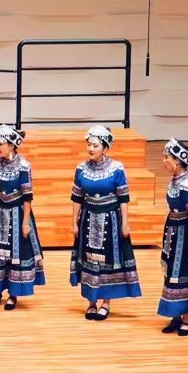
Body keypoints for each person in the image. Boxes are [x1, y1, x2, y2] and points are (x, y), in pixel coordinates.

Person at [69, 124, 142, 319]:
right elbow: (76, 198)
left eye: (95, 146)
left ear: (105, 148)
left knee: (107, 260)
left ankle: (106, 302)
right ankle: (91, 302)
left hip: (110, 220)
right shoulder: (81, 169)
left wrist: (125, 223)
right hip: (88, 220)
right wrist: (74, 222)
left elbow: (123, 198)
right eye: (89, 145)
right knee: (90, 261)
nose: (91, 149)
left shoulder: (116, 169)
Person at [0, 124, 44, 309]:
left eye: (0, 144)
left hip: (17, 214)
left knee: (16, 254)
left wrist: (25, 224)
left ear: (11, 145)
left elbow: (27, 197)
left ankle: (13, 294)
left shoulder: (24, 166)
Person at [159, 138, 188, 335]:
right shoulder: (175, 180)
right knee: (171, 272)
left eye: (166, 157)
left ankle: (186, 318)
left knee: (183, 274)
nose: (164, 161)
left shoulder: (187, 184)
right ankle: (176, 315)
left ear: (177, 160)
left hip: (184, 234)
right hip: (173, 230)